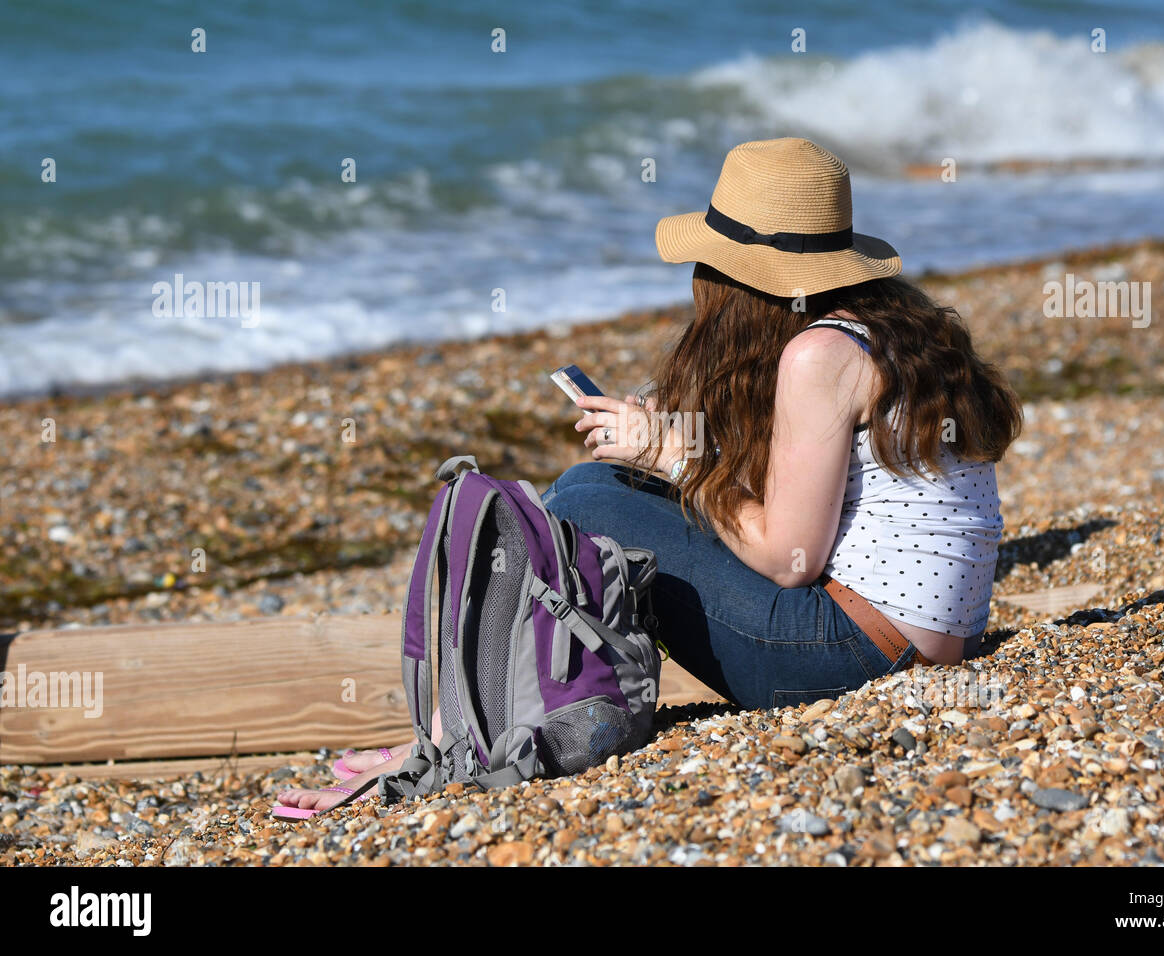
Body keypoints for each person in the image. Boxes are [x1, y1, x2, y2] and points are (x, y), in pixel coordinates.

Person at [273, 137, 1021, 816]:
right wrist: (669, 446)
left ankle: (453, 737)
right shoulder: (883, 327)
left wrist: (669, 456)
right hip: (908, 643)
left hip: (856, 658)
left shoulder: (816, 357)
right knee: (595, 487)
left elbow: (787, 558)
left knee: (575, 508)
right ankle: (469, 722)